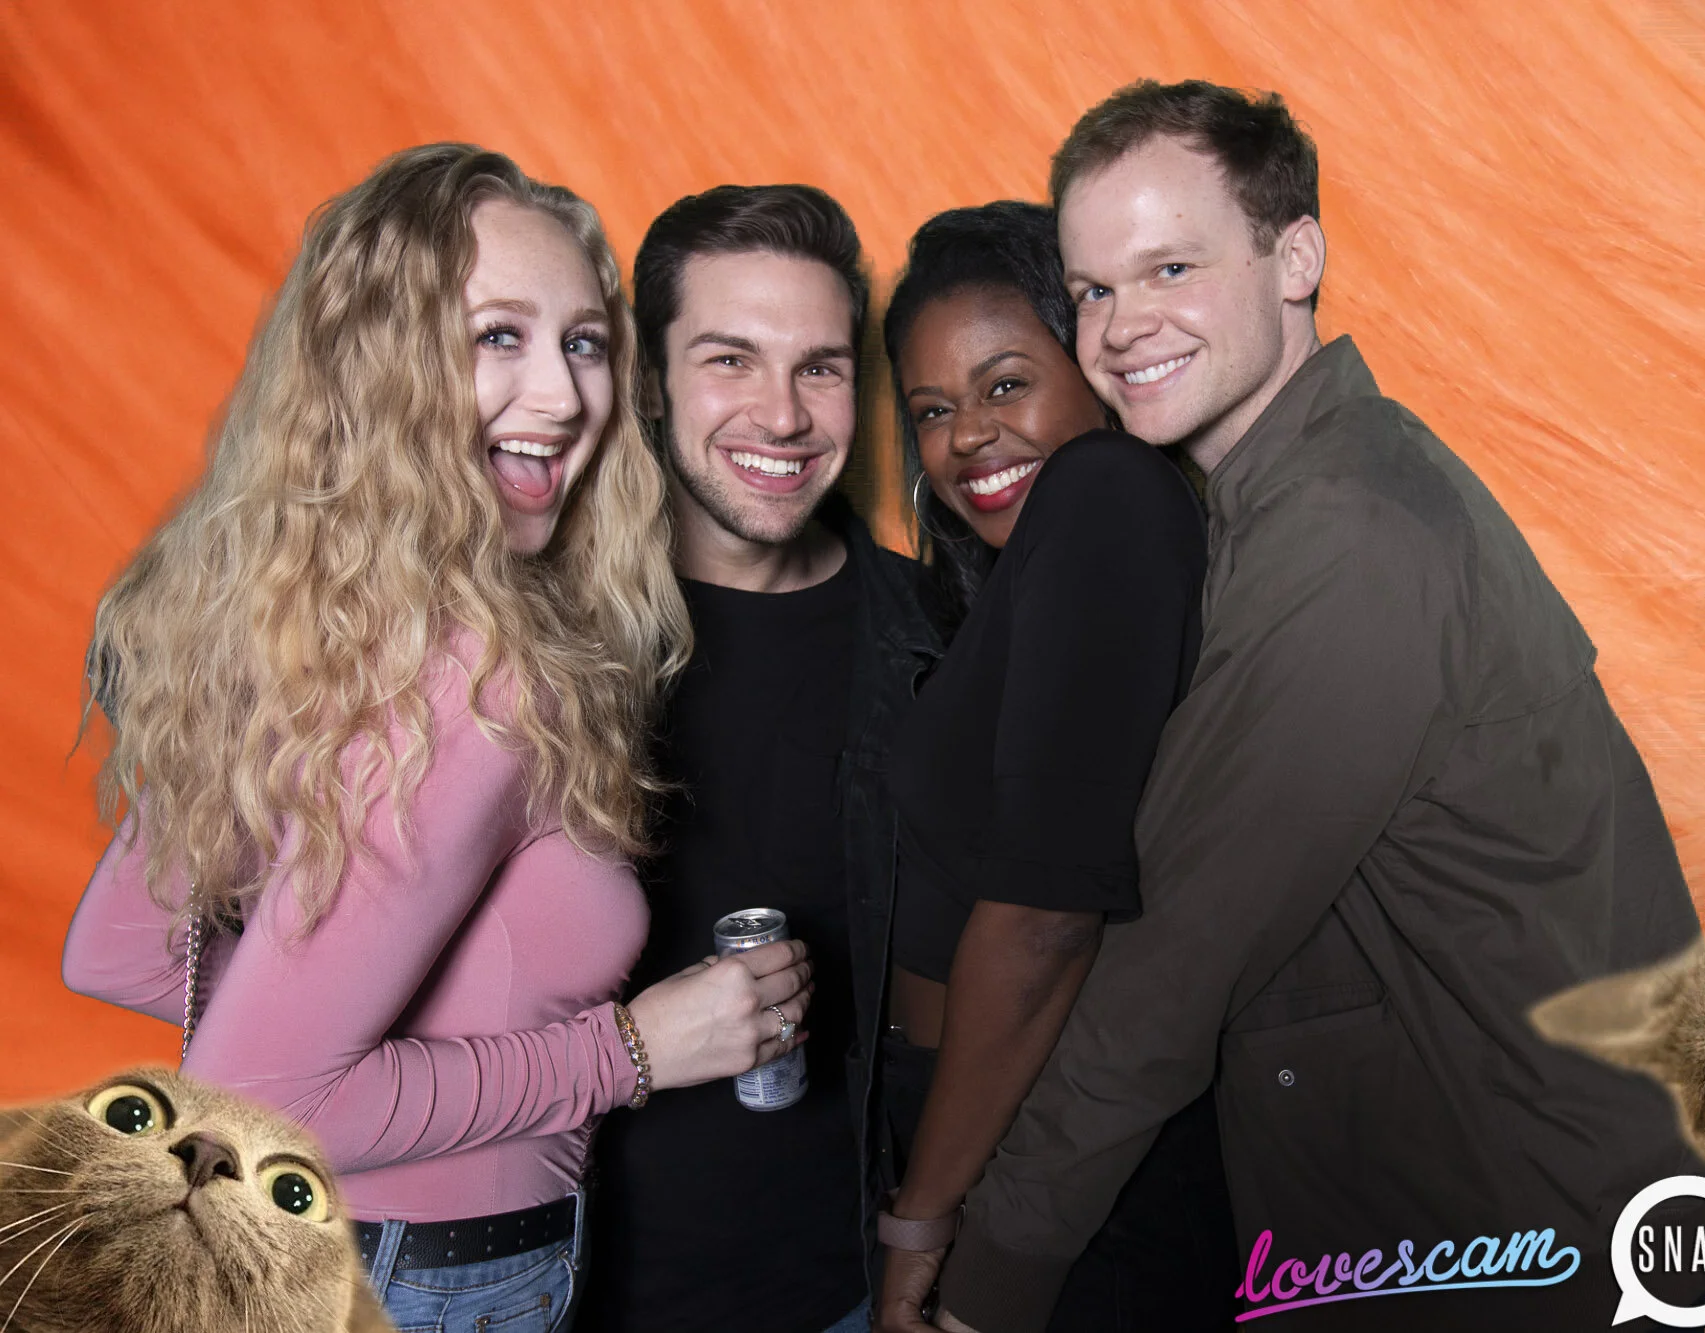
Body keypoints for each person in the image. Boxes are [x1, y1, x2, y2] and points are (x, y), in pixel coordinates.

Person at [930, 82, 1705, 1333]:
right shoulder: (1287, 498)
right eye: (1092, 290)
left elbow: (1171, 966)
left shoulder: (1348, 534)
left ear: (1294, 259)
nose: (1122, 328)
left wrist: (986, 1278)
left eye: (1170, 268)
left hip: (1505, 1244)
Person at [61, 143, 812, 1333]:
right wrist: (627, 1051)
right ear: (381, 367)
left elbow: (118, 950)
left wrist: (367, 998)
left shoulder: (318, 621)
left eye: (582, 342)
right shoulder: (476, 677)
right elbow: (254, 1094)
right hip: (429, 1282)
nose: (563, 396)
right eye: (496, 336)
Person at [574, 185, 946, 1333]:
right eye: (729, 359)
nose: (781, 416)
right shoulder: (543, 637)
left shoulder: (940, 636)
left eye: (818, 367)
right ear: (649, 380)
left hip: (850, 1286)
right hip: (560, 1288)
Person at [871, 202, 1237, 1333]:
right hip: (989, 1130)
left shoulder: (1105, 491)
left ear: (1092, 366)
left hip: (1040, 1159)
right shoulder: (1037, 564)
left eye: (1004, 384)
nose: (967, 436)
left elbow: (1045, 915)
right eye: (933, 411)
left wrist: (922, 1217)